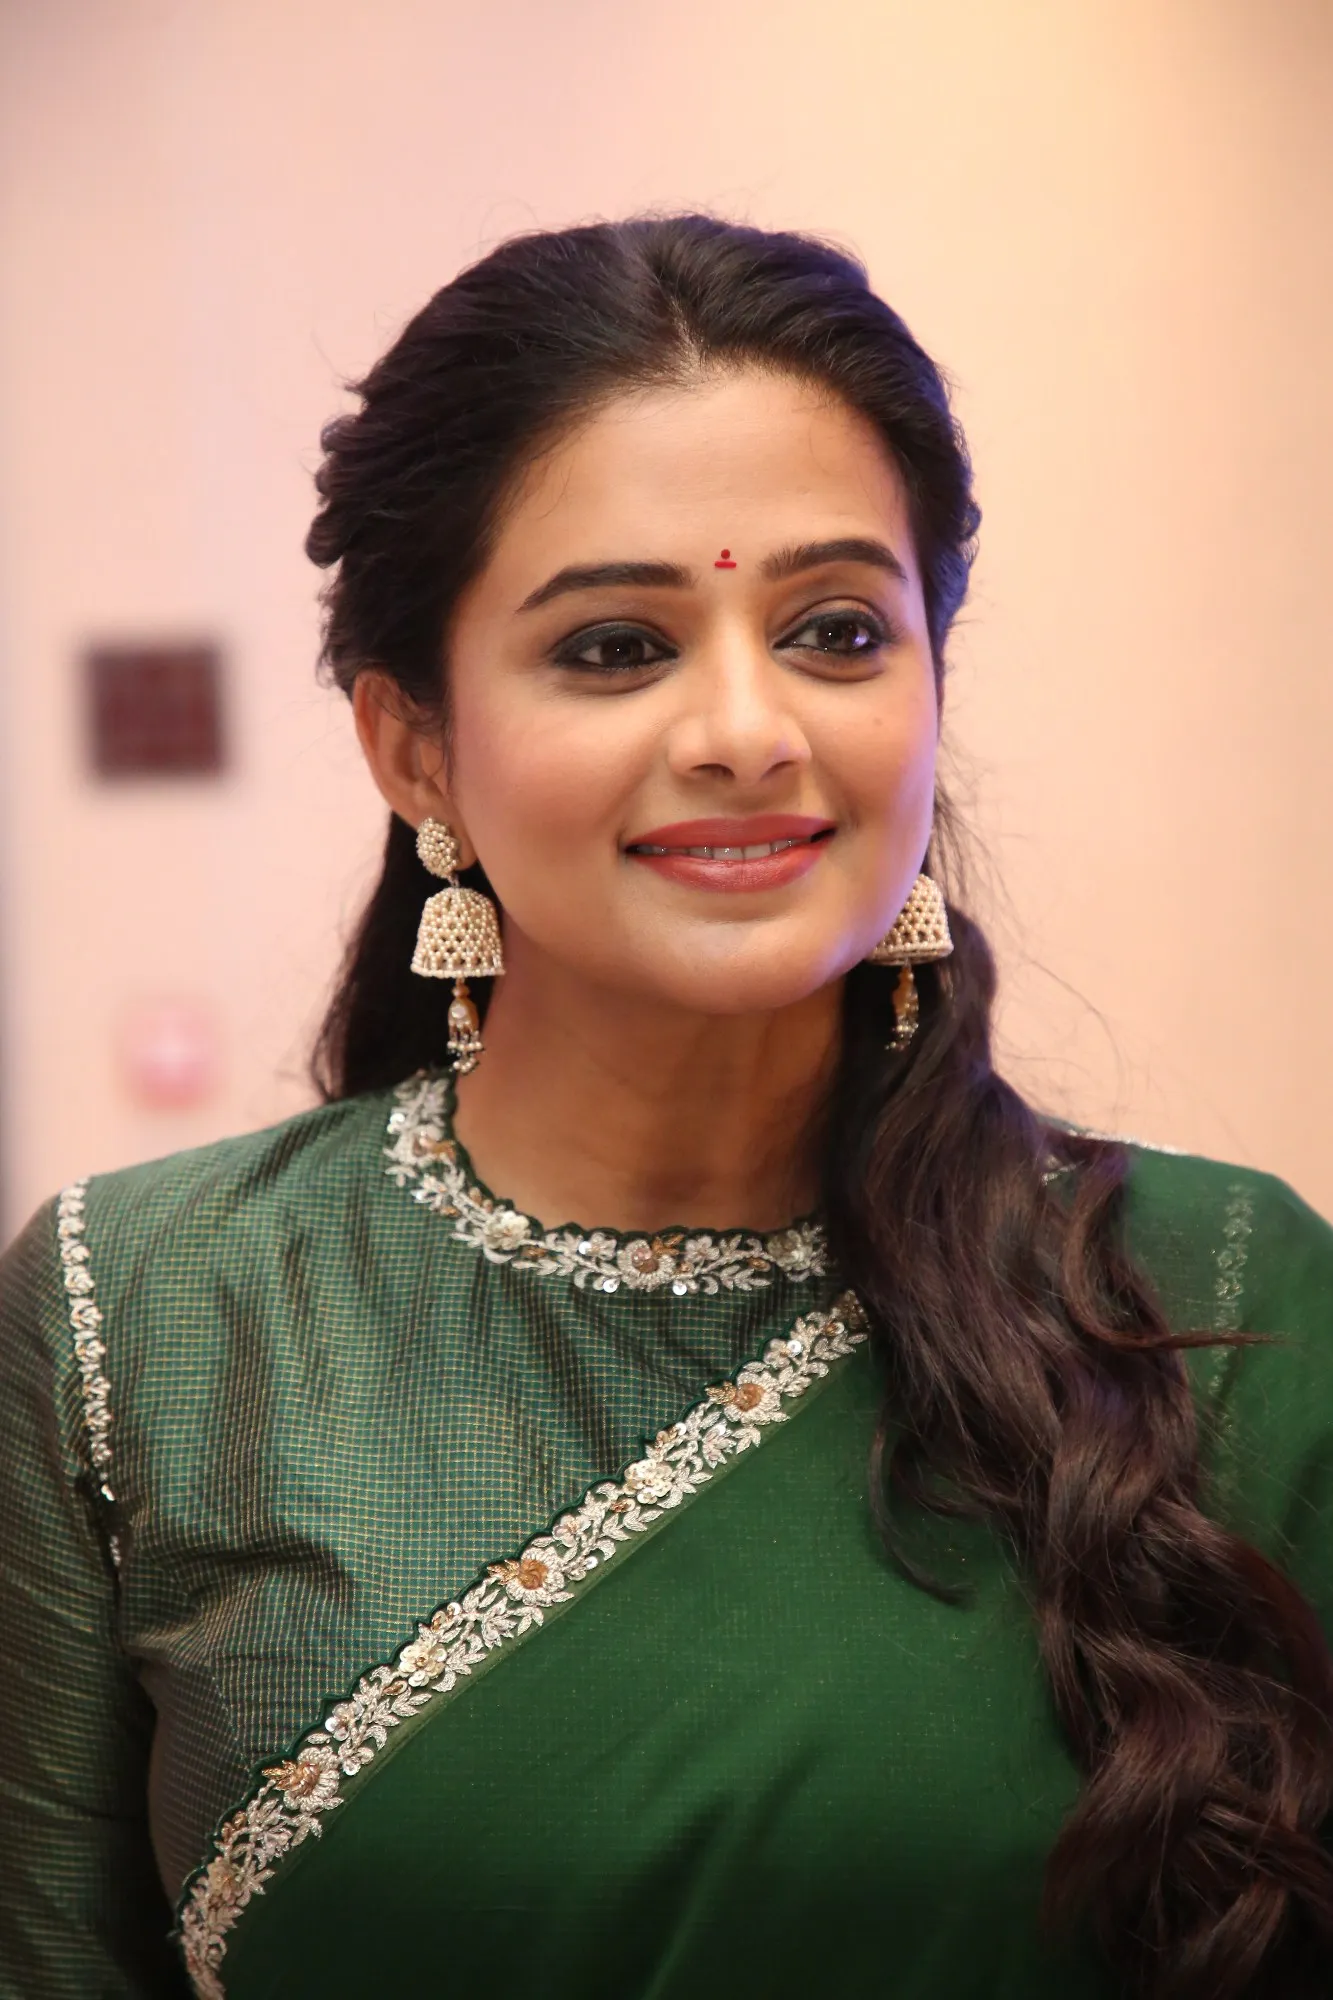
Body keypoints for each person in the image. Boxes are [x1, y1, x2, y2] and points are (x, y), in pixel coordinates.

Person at [2, 215, 1331, 2000]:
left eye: (836, 631)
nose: (747, 730)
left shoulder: (1214, 1297)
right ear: (412, 747)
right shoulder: (149, 1316)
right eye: (618, 646)